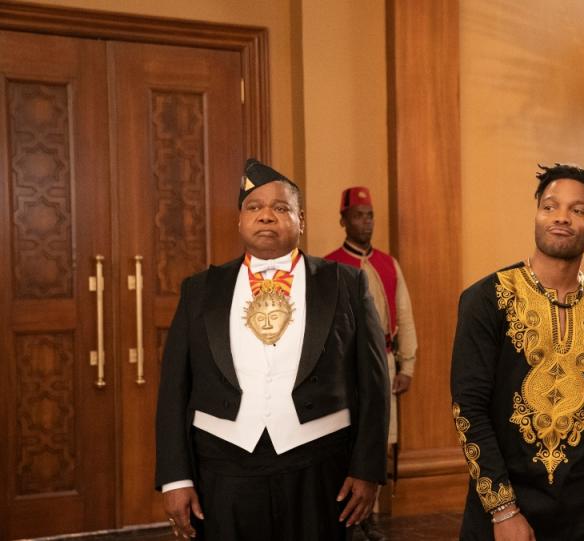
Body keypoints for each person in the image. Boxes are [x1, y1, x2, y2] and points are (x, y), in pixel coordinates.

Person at [155, 158, 390, 540]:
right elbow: (174, 389)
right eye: (254, 207)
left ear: (301, 221)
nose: (266, 216)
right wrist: (174, 477)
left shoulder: (345, 283)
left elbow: (374, 383)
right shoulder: (199, 290)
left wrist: (367, 468)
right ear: (239, 220)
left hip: (318, 464)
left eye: (281, 208)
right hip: (223, 466)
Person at [451, 164, 584, 541]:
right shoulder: (487, 299)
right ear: (536, 216)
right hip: (503, 508)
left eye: (577, 210)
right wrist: (503, 511)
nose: (561, 217)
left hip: (581, 516)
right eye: (550, 206)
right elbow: (469, 407)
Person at [325, 186, 418, 539]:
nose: (366, 223)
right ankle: (349, 517)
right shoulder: (330, 265)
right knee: (349, 438)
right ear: (343, 220)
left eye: (370, 215)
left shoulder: (387, 264)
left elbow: (405, 315)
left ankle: (371, 515)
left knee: (382, 437)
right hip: (346, 368)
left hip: (386, 360)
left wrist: (407, 366)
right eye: (358, 216)